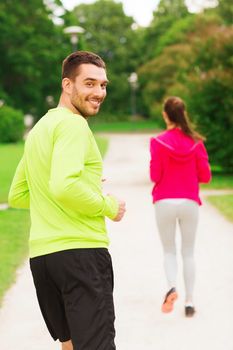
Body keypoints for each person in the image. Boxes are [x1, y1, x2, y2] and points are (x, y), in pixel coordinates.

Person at [8, 51, 126, 350]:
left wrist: (79, 185)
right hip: (81, 256)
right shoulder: (74, 125)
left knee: (71, 346)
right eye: (89, 83)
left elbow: (19, 195)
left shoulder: (39, 131)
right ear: (67, 85)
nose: (99, 92)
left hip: (45, 260)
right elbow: (63, 186)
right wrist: (108, 206)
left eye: (103, 85)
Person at [149, 96, 211, 317]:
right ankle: (190, 301)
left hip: (164, 201)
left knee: (168, 250)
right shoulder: (196, 142)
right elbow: (205, 176)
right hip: (189, 201)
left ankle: (171, 286)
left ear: (165, 115)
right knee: (188, 252)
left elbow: (154, 175)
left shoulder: (158, 142)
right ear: (183, 113)